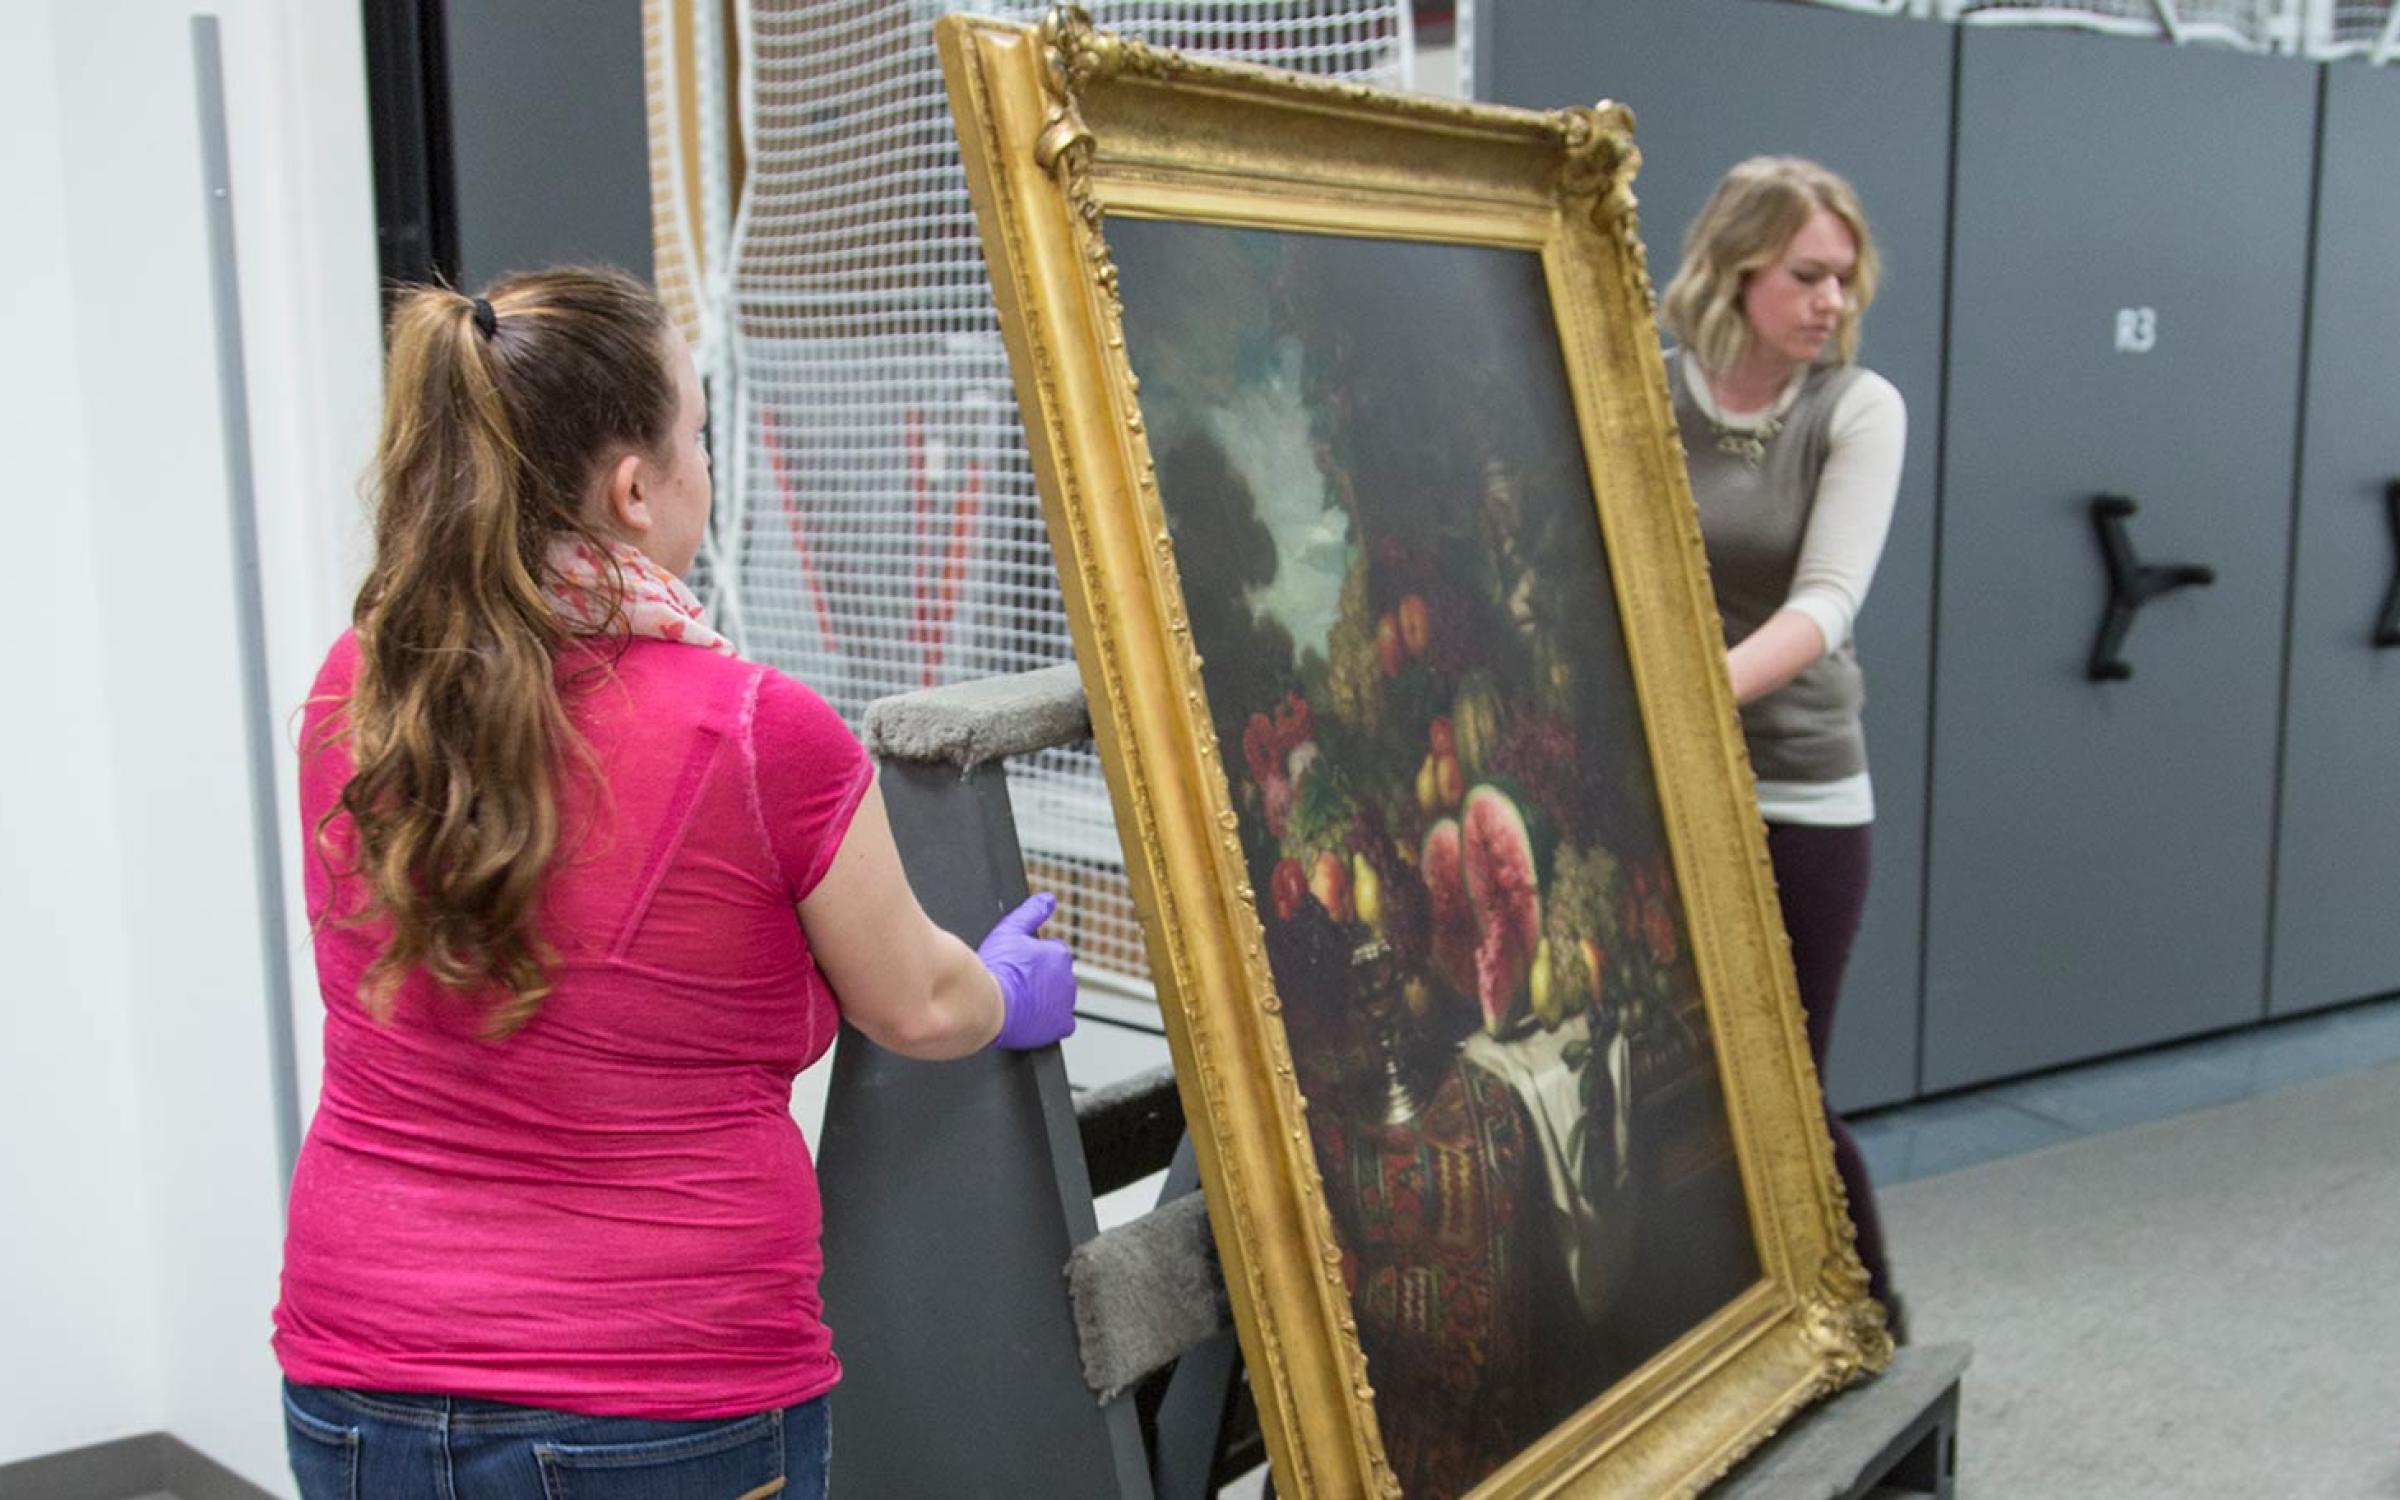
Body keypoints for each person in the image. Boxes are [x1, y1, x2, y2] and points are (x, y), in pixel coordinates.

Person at [272, 267, 1079, 1500]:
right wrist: (1001, 990)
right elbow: (914, 1001)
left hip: (355, 1377)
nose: (708, 462)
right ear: (634, 490)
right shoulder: (758, 732)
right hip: (654, 1401)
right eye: (699, 432)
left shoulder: (356, 689)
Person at [1659, 157, 1906, 1330]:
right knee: (1666, 1091)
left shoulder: (1855, 408)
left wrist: (1681, 701)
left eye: (1845, 283)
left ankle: (1878, 1333)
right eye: (1808, 276)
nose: (1831, 305)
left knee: (1782, 1093)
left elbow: (1826, 606)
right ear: (1737, 265)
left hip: (1800, 792)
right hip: (1661, 789)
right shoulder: (1646, 393)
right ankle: (1721, 1341)